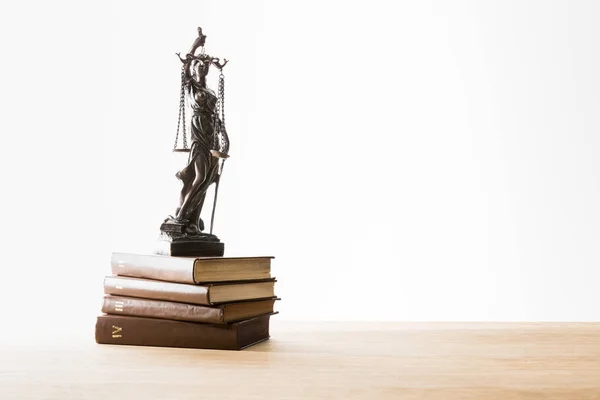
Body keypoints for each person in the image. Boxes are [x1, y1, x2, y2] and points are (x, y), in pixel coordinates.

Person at [163, 28, 229, 236]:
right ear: (194, 67)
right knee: (199, 177)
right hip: (198, 137)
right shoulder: (191, 87)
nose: (203, 67)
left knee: (208, 180)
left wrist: (224, 135)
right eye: (199, 64)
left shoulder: (209, 91)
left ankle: (192, 221)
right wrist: (196, 44)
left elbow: (217, 117)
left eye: (206, 65)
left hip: (212, 140)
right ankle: (180, 217)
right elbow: (184, 71)